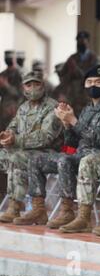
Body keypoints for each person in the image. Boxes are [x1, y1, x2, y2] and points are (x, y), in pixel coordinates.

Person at [14, 65, 100, 228]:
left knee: (65, 160)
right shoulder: (87, 109)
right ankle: (38, 209)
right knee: (35, 159)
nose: (93, 85)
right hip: (80, 155)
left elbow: (99, 138)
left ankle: (68, 210)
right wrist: (66, 124)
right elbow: (73, 142)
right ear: (85, 85)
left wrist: (73, 120)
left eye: (98, 81)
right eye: (89, 82)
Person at [0, 71, 63, 223]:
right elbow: (13, 127)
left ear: (43, 86)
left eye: (37, 84)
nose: (33, 88)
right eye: (29, 84)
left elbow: (45, 138)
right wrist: (7, 136)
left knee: (15, 158)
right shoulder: (23, 108)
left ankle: (14, 206)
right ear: (23, 88)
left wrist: (16, 140)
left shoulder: (52, 107)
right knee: (5, 156)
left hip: (47, 153)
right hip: (25, 151)